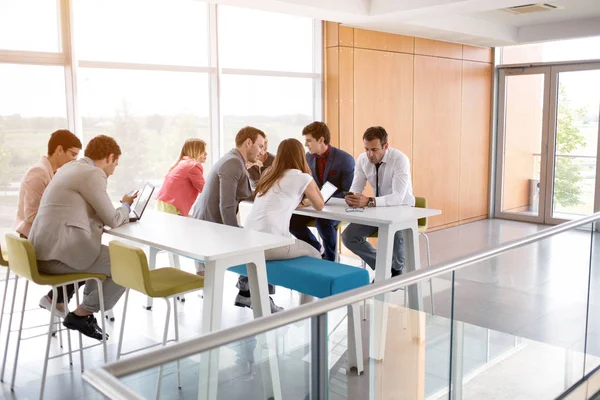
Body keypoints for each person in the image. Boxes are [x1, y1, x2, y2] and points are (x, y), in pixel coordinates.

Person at [29, 135, 137, 340]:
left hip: (42, 252)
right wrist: (126, 206)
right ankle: (82, 314)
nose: (114, 169)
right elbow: (113, 219)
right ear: (110, 157)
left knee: (106, 257)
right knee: (128, 265)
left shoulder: (71, 168)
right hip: (57, 257)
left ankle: (84, 309)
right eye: (116, 163)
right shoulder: (93, 174)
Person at [190, 126, 282, 312]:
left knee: (259, 241)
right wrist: (235, 235)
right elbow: (227, 205)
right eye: (260, 146)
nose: (262, 151)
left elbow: (241, 194)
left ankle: (248, 294)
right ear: (248, 142)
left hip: (209, 224)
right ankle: (259, 300)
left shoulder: (235, 161)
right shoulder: (233, 163)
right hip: (210, 228)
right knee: (263, 246)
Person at [13, 129, 83, 317]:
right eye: (73, 154)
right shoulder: (38, 173)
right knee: (87, 257)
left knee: (85, 250)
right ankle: (56, 300)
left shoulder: (52, 172)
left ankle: (57, 299)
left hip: (37, 236)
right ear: (59, 149)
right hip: (32, 240)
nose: (74, 160)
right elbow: (32, 216)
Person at [342, 126, 415, 277]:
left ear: (386, 146)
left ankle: (395, 273)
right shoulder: (363, 159)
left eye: (374, 149)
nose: (369, 154)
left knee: (394, 234)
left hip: (402, 210)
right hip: (377, 209)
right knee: (349, 237)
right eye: (366, 149)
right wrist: (353, 198)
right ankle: (383, 267)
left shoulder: (400, 160)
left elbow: (397, 198)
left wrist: (368, 201)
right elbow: (356, 187)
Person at [245, 138, 324, 260]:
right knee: (317, 252)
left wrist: (302, 202)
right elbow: (320, 205)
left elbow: (280, 200)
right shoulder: (302, 177)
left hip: (249, 239)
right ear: (301, 156)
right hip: (273, 243)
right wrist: (309, 175)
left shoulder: (268, 173)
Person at [289, 121, 355, 261]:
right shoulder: (308, 157)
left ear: (321, 140)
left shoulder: (345, 159)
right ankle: (317, 249)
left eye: (309, 140)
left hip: (338, 206)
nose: (306, 144)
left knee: (323, 222)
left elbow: (346, 191)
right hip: (315, 204)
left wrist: (321, 198)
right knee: (291, 220)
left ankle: (330, 261)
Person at [155, 138, 207, 216]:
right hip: (172, 207)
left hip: (164, 204)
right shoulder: (193, 166)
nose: (206, 154)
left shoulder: (183, 163)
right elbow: (205, 189)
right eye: (203, 151)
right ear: (195, 152)